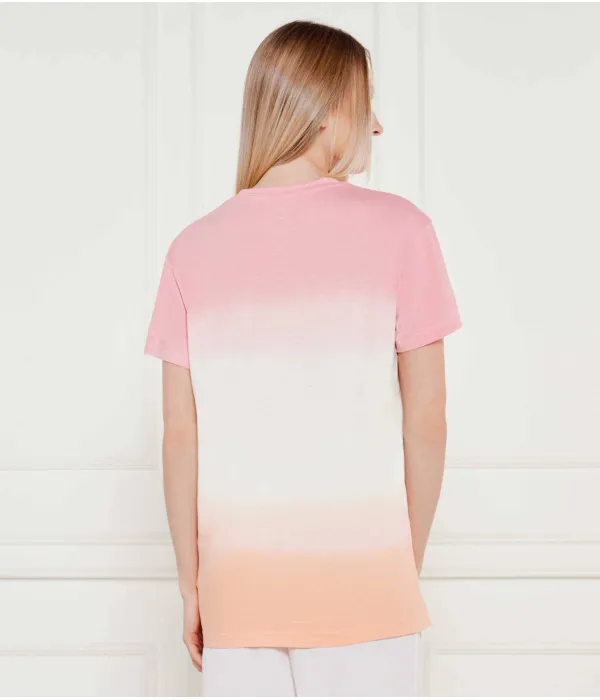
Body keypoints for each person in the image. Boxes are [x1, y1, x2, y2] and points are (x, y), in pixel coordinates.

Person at [144, 19, 461, 698]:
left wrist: (192, 586)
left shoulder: (190, 249)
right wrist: (400, 562)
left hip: (237, 590)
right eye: (366, 104)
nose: (377, 127)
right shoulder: (404, 230)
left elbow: (179, 435)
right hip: (366, 582)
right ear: (328, 108)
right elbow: (428, 419)